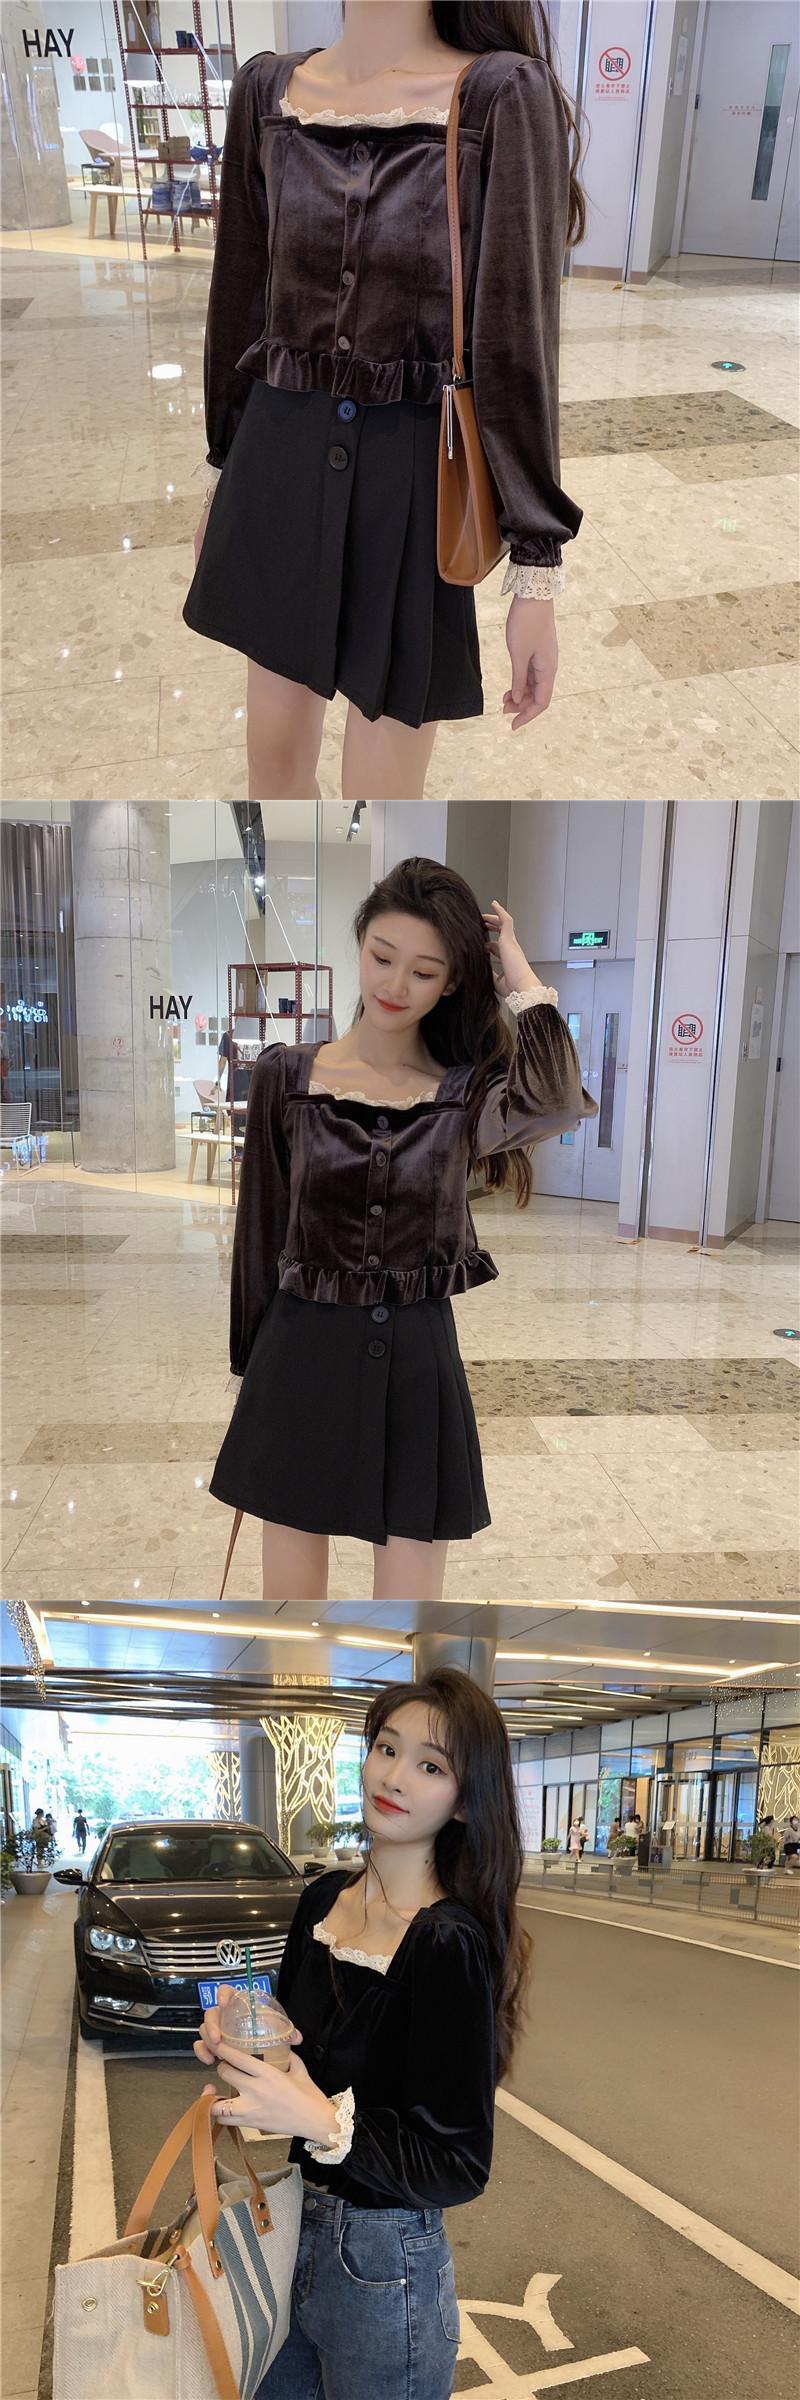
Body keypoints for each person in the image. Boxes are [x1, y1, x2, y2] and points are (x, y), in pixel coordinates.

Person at [184, 0, 586, 803]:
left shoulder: (500, 95)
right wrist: (222, 471)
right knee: (272, 766)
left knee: (382, 792)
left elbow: (515, 340)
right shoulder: (266, 91)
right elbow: (241, 299)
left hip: (413, 484)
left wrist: (535, 572)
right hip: (278, 461)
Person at [210, 857, 597, 1602]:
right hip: (300, 1354)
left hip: (418, 1360)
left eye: (424, 972)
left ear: (451, 983)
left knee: (409, 1618)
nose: (395, 985)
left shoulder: (463, 1096)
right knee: (293, 1620)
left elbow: (555, 1101)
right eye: (382, 957)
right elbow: (259, 1233)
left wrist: (517, 971)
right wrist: (246, 1370)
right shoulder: (287, 1076)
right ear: (360, 944)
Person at [195, 1666, 530, 2400]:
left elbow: (458, 2163)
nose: (395, 1776)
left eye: (431, 1766)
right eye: (386, 1747)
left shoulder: (447, 1942)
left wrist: (321, 2120)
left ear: (465, 1802)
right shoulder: (321, 1898)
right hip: (286, 2223)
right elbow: (295, 2051)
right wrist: (243, 2041)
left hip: (384, 2262)